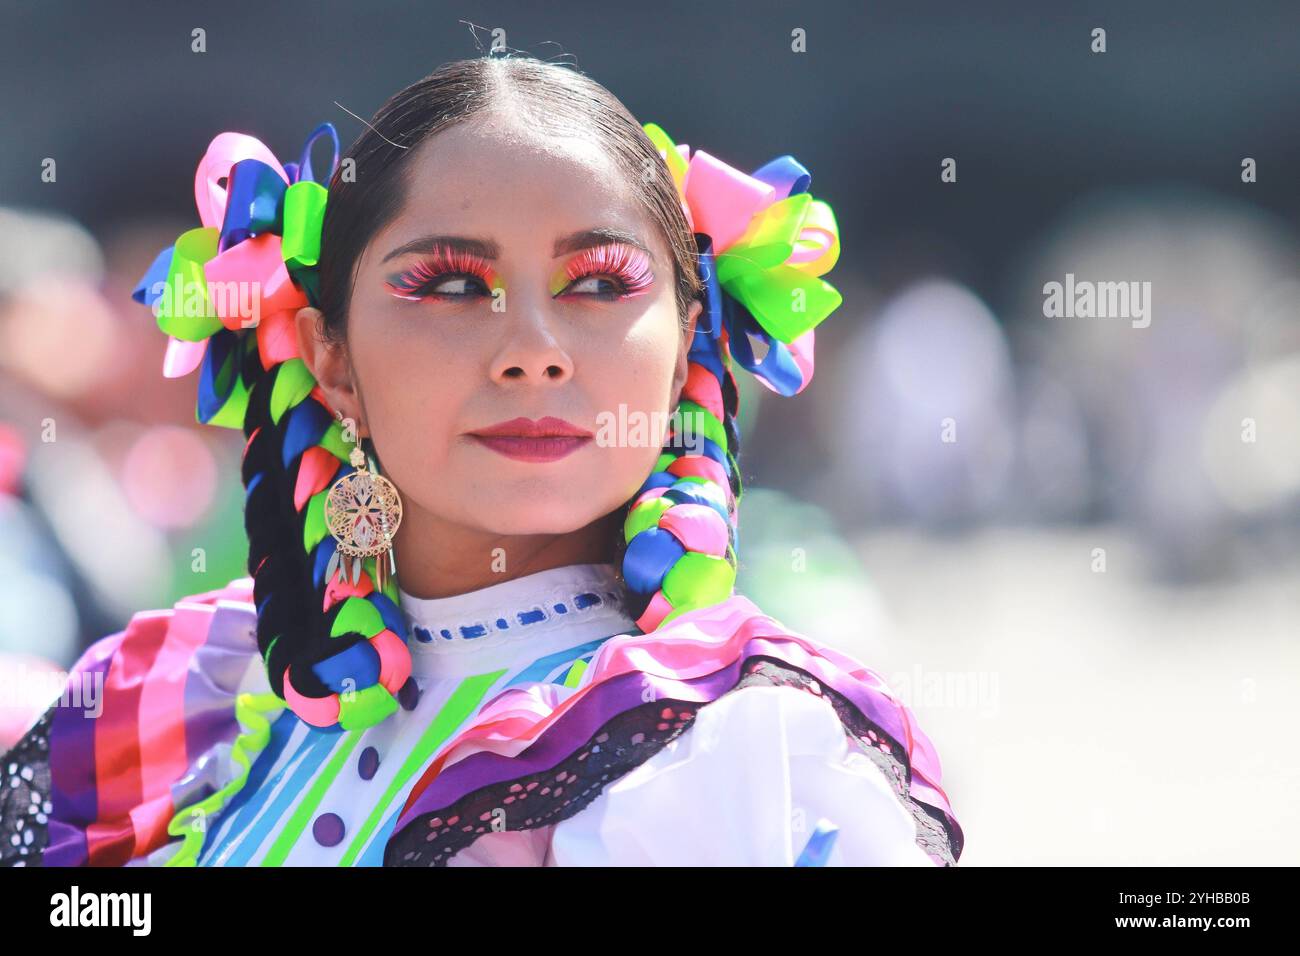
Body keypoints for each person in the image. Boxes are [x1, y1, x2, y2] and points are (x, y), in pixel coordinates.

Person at [0, 55, 962, 867]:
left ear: (685, 344)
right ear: (329, 355)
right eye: (454, 284)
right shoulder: (200, 691)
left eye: (598, 282)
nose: (533, 348)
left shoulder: (743, 759)